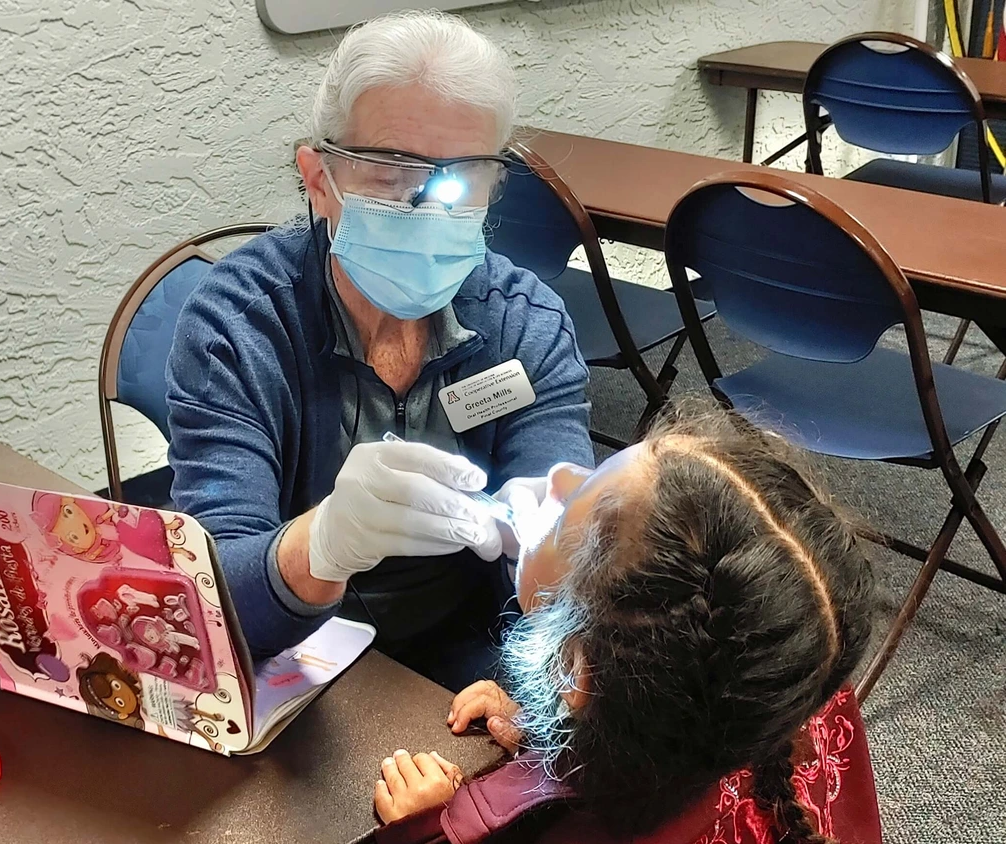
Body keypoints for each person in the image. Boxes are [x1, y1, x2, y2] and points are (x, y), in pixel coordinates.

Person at [166, 11, 592, 689]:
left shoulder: (525, 324)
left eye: (463, 178)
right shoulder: (240, 323)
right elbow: (211, 600)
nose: (428, 205)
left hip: (469, 651)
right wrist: (321, 544)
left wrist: (550, 567)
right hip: (289, 653)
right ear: (317, 177)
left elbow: (564, 583)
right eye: (391, 172)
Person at [368, 405, 881, 844]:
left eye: (571, 507)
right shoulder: (781, 670)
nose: (559, 476)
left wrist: (429, 827)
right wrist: (553, 732)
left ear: (578, 671)